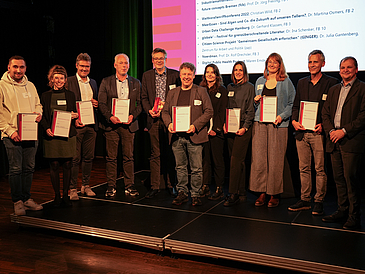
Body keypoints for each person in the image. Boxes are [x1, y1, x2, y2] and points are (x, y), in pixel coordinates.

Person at [288, 50, 338, 215]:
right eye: (310, 62)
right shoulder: (302, 82)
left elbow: (333, 109)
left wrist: (324, 125)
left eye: (315, 62)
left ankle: (319, 201)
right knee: (303, 168)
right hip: (301, 133)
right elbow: (295, 106)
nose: (312, 65)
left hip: (318, 133)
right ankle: (305, 199)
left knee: (320, 168)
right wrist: (294, 121)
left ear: (323, 64)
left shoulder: (331, 83)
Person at [322, 56, 365, 230]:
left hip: (351, 141)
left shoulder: (362, 88)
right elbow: (325, 114)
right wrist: (331, 131)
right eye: (342, 67)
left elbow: (363, 116)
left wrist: (344, 131)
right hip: (334, 140)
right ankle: (342, 211)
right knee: (338, 179)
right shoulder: (333, 90)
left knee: (351, 180)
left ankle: (354, 216)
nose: (345, 70)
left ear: (356, 69)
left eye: (349, 67)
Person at [161, 62, 213, 206]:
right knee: (180, 167)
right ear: (180, 75)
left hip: (194, 136)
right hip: (177, 136)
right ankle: (182, 192)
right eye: (184, 74)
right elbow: (165, 112)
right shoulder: (172, 92)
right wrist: (169, 124)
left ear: (194, 75)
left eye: (189, 74)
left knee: (196, 168)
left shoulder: (201, 91)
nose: (186, 77)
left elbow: (209, 111)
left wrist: (195, 126)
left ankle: (195, 194)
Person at [249, 53, 295, 208]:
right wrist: (256, 101)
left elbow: (291, 104)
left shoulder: (286, 81)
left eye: (275, 62)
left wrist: (282, 116)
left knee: (275, 160)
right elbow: (257, 106)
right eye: (269, 62)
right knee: (259, 159)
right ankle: (261, 192)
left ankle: (273, 194)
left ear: (280, 65)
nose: (272, 65)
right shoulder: (260, 81)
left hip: (278, 125)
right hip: (260, 123)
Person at [0, 55, 43, 215]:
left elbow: (38, 104)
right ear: (8, 67)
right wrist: (10, 131)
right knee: (16, 169)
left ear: (25, 68)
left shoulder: (30, 85)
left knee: (29, 168)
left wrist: (38, 113)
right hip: (12, 135)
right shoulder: (1, 86)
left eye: (22, 67)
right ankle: (17, 201)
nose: (19, 70)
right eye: (15, 67)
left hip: (30, 133)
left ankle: (26, 198)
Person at [98, 53, 142, 197]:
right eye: (121, 63)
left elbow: (140, 104)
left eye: (126, 63)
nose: (124, 65)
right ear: (115, 65)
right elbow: (102, 103)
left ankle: (129, 185)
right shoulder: (106, 81)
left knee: (128, 156)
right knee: (111, 157)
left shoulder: (136, 83)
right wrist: (110, 117)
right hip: (112, 126)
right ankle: (111, 185)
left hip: (129, 125)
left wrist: (132, 116)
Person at [141, 48, 180, 198]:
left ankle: (172, 185)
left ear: (165, 59)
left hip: (169, 119)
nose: (158, 60)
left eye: (161, 58)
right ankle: (155, 186)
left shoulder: (174, 75)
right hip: (154, 119)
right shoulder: (147, 75)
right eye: (156, 58)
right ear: (152, 60)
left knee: (171, 152)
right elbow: (144, 97)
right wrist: (149, 110)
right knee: (155, 154)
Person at [40, 65, 78, 207]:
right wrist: (46, 128)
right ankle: (56, 196)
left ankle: (66, 195)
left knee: (68, 164)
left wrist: (75, 115)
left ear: (65, 79)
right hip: (52, 135)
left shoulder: (70, 95)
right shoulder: (45, 95)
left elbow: (74, 112)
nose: (59, 80)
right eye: (56, 78)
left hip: (67, 134)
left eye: (61, 78)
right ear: (51, 79)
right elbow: (42, 116)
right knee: (54, 164)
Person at [223, 61, 255, 206]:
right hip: (230, 129)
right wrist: (225, 123)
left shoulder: (250, 87)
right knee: (238, 161)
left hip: (243, 129)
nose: (238, 72)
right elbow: (227, 108)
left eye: (240, 70)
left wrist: (245, 127)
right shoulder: (229, 87)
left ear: (245, 72)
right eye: (236, 70)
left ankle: (233, 193)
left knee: (235, 160)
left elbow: (250, 109)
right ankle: (241, 191)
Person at [68, 53, 99, 200]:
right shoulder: (69, 81)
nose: (84, 69)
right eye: (82, 66)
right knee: (75, 158)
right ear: (76, 66)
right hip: (76, 125)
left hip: (91, 125)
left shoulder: (93, 82)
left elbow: (95, 102)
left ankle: (85, 185)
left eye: (87, 66)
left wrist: (96, 104)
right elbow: (66, 104)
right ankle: (72, 188)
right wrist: (73, 119)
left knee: (88, 157)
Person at [198, 64, 228, 200]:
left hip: (216, 132)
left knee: (217, 160)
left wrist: (215, 129)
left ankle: (219, 188)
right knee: (205, 160)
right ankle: (205, 186)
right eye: (207, 72)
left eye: (212, 72)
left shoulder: (222, 90)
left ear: (217, 75)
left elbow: (222, 112)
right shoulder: (200, 89)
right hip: (202, 131)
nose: (209, 75)